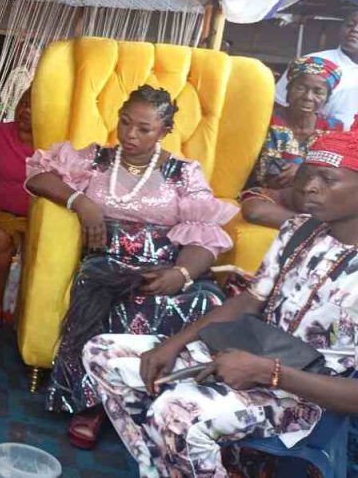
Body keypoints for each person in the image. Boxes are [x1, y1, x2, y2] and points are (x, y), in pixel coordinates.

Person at [83, 128, 358, 478]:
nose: (309, 187)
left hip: (305, 396)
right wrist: (174, 344)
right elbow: (248, 301)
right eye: (307, 175)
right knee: (103, 354)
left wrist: (266, 372)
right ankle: (159, 468)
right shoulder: (299, 230)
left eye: (328, 179)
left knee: (174, 414)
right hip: (250, 352)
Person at [24, 85, 236, 449]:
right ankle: (93, 404)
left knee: (206, 305)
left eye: (144, 128)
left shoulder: (182, 173)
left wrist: (180, 274)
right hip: (106, 263)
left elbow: (204, 235)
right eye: (124, 123)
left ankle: (163, 404)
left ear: (164, 131)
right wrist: (82, 203)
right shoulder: (96, 159)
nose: (130, 135)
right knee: (108, 295)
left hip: (163, 267)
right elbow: (37, 177)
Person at [242, 56, 343, 231]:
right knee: (254, 211)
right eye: (301, 88)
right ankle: (314, 228)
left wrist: (303, 170)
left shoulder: (334, 129)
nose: (308, 97)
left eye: (318, 92)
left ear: (326, 98)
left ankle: (310, 226)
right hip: (269, 195)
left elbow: (338, 173)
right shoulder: (265, 119)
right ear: (288, 91)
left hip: (312, 200)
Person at [0, 89, 34, 334]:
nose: (26, 110)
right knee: (0, 237)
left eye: (35, 106)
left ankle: (25, 317)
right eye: (23, 103)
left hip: (37, 218)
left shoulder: (55, 144)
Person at [274, 8, 358, 126]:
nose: (355, 30)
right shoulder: (310, 63)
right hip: (314, 140)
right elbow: (279, 105)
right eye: (350, 25)